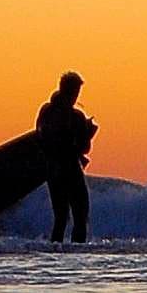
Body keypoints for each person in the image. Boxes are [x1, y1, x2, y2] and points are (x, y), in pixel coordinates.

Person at [35, 71, 97, 243]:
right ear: (71, 91)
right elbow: (85, 148)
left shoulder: (46, 111)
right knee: (79, 215)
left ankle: (56, 257)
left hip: (52, 170)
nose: (77, 96)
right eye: (76, 92)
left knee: (61, 218)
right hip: (70, 169)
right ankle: (75, 255)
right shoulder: (76, 117)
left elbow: (40, 138)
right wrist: (88, 131)